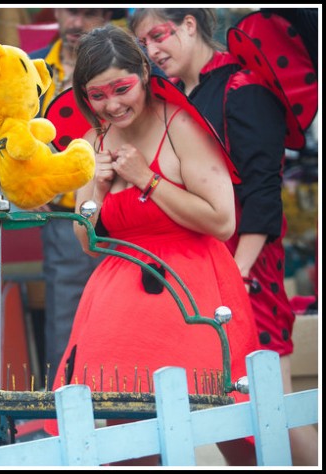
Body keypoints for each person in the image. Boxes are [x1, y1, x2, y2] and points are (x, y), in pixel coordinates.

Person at [42, 25, 261, 466]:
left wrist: (148, 179)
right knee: (123, 428)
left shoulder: (179, 125)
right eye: (97, 96)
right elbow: (87, 241)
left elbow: (223, 220)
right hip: (118, 299)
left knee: (230, 423)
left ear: (143, 73)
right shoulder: (92, 142)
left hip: (193, 290)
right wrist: (97, 193)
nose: (113, 105)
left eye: (121, 88)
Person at [129, 9, 318, 465]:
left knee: (271, 412)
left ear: (190, 24)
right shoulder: (175, 97)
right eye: (144, 44)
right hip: (202, 270)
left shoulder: (245, 88)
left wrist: (238, 271)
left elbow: (263, 195)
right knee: (226, 417)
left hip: (246, 272)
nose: (153, 51)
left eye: (159, 35)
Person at [27, 7, 114, 377]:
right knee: (65, 318)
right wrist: (28, 181)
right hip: (64, 213)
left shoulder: (121, 61)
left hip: (122, 205)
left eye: (89, 12)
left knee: (125, 316)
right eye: (69, 11)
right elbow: (7, 133)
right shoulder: (31, 69)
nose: (76, 23)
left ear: (108, 13)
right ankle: (60, 415)